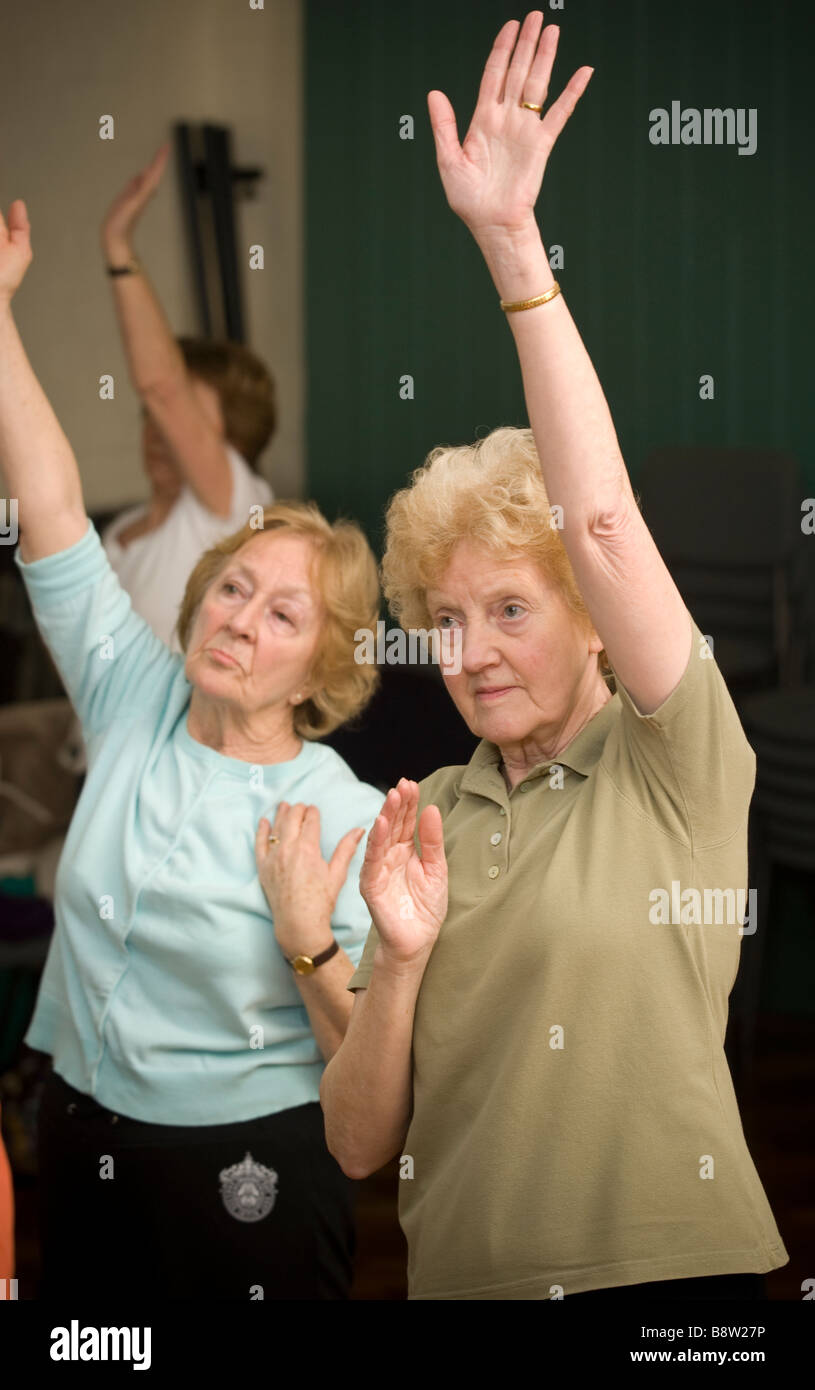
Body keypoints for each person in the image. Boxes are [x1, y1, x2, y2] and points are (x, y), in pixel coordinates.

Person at [320, 14, 789, 1301]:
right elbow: (358, 1143)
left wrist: (511, 245)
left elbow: (596, 521)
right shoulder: (430, 828)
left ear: (593, 614)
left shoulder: (676, 762)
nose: (468, 654)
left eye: (511, 612)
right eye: (447, 620)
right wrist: (399, 958)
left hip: (671, 1290)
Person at [0, 194, 384, 1299]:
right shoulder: (132, 688)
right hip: (75, 1129)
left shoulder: (341, 813)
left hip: (245, 1168)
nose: (237, 618)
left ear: (323, 668)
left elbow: (372, 1072)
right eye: (231, 587)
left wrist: (308, 935)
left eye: (281, 615)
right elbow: (52, 506)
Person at [98, 142, 276, 653]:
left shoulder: (233, 506)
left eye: (181, 416)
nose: (160, 429)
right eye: (150, 417)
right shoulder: (121, 532)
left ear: (236, 438)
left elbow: (161, 385)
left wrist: (118, 248)